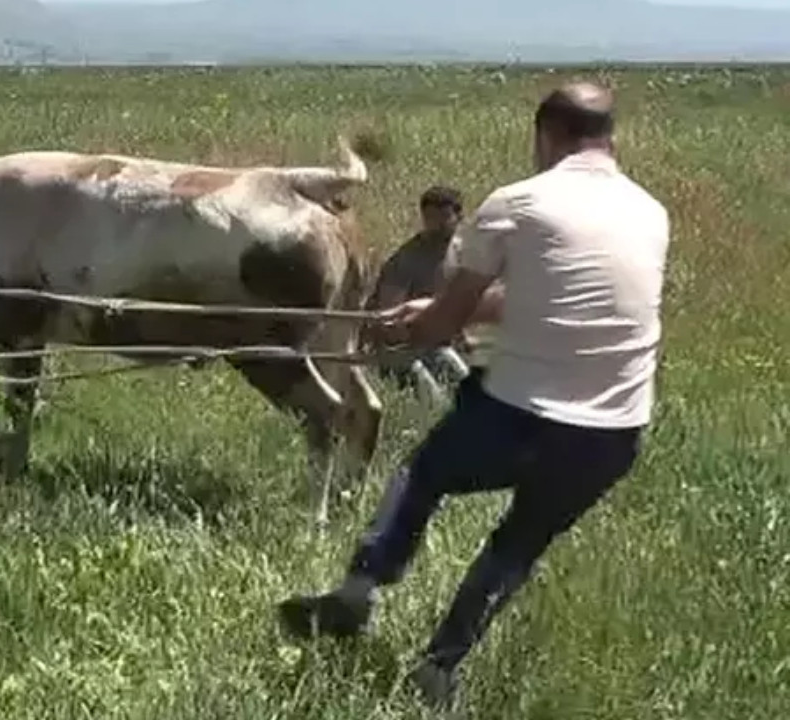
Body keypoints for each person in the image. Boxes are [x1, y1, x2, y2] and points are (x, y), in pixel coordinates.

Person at [276, 81, 671, 710]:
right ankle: (439, 667)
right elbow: (542, 295)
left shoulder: (519, 202)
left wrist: (416, 322)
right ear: (610, 139)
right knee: (515, 547)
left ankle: (359, 591)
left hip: (523, 417)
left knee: (420, 474)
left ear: (545, 137)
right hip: (614, 433)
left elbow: (438, 330)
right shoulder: (650, 211)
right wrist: (440, 305)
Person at [364, 185, 474, 405]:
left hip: (438, 348)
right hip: (399, 352)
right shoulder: (405, 261)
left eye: (442, 219)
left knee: (472, 392)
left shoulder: (463, 253)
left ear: (459, 216)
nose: (435, 226)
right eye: (430, 219)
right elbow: (387, 322)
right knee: (436, 401)